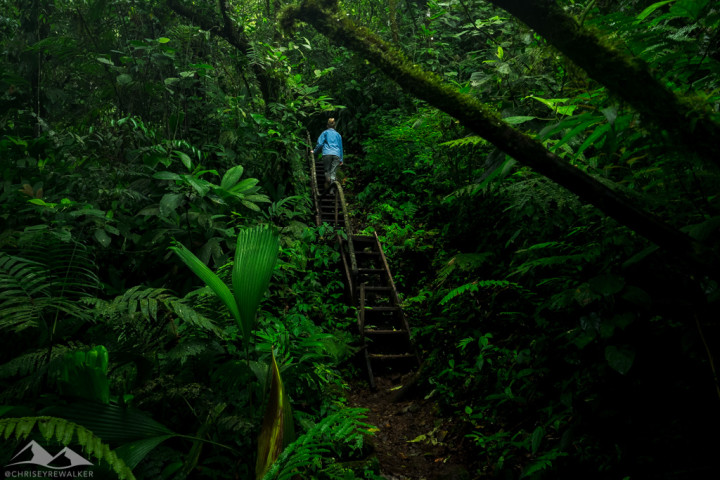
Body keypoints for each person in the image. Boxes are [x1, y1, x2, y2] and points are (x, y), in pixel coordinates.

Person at [313, 118, 343, 195]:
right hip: (336, 154)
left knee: (327, 171)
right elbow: (340, 147)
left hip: (327, 153)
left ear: (327, 125)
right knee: (333, 173)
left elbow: (320, 144)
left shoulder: (325, 133)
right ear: (335, 126)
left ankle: (328, 180)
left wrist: (315, 151)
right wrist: (341, 159)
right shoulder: (338, 135)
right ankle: (331, 190)